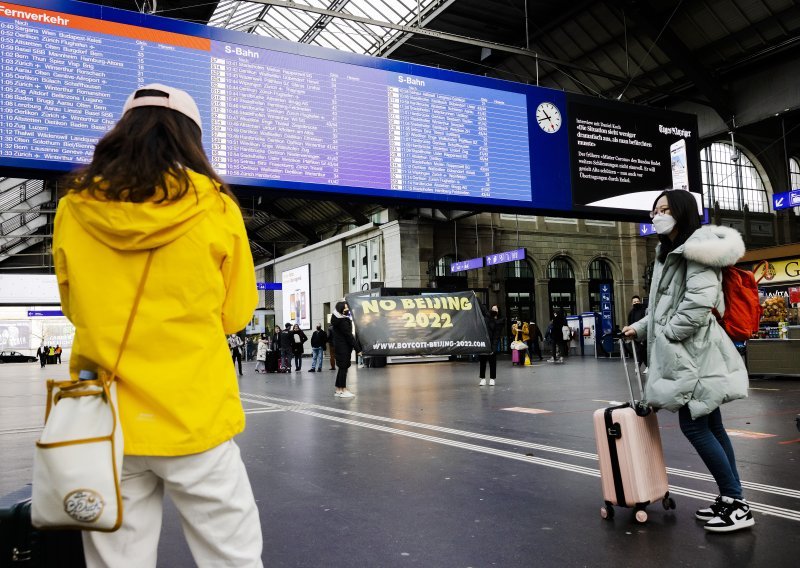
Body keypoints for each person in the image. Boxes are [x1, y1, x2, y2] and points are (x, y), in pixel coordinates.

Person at [53, 84, 263, 566]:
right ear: (191, 140)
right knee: (232, 556)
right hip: (195, 416)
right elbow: (236, 314)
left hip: (105, 419)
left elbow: (73, 306)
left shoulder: (73, 208)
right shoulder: (216, 206)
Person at [622, 189, 752, 533]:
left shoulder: (696, 250)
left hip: (694, 354)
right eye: (654, 211)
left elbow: (699, 300)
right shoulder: (669, 252)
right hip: (692, 353)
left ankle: (736, 502)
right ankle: (731, 499)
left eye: (664, 209)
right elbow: (661, 310)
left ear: (682, 212)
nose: (657, 215)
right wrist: (638, 328)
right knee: (711, 425)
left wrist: (669, 334)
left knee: (694, 425)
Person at [330, 301, 355, 397]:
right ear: (341, 309)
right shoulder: (343, 321)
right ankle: (344, 390)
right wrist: (358, 349)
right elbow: (349, 336)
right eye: (345, 308)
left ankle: (338, 389)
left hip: (340, 348)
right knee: (343, 369)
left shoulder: (337, 320)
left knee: (341, 369)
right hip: (344, 348)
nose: (347, 309)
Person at [479, 304, 505, 386]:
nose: (493, 310)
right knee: (482, 361)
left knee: (492, 362)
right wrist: (475, 296)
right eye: (492, 309)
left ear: (498, 311)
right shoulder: (487, 317)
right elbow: (482, 308)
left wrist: (493, 349)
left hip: (492, 343)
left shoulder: (500, 321)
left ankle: (492, 378)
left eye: (495, 309)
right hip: (484, 342)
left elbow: (496, 336)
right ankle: (482, 378)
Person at [627, 295, 647, 372]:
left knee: (642, 350)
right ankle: (645, 366)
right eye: (634, 302)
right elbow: (630, 323)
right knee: (640, 351)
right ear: (632, 303)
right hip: (635, 335)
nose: (636, 303)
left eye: (637, 301)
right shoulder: (631, 313)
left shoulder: (644, 310)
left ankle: (639, 366)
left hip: (644, 334)